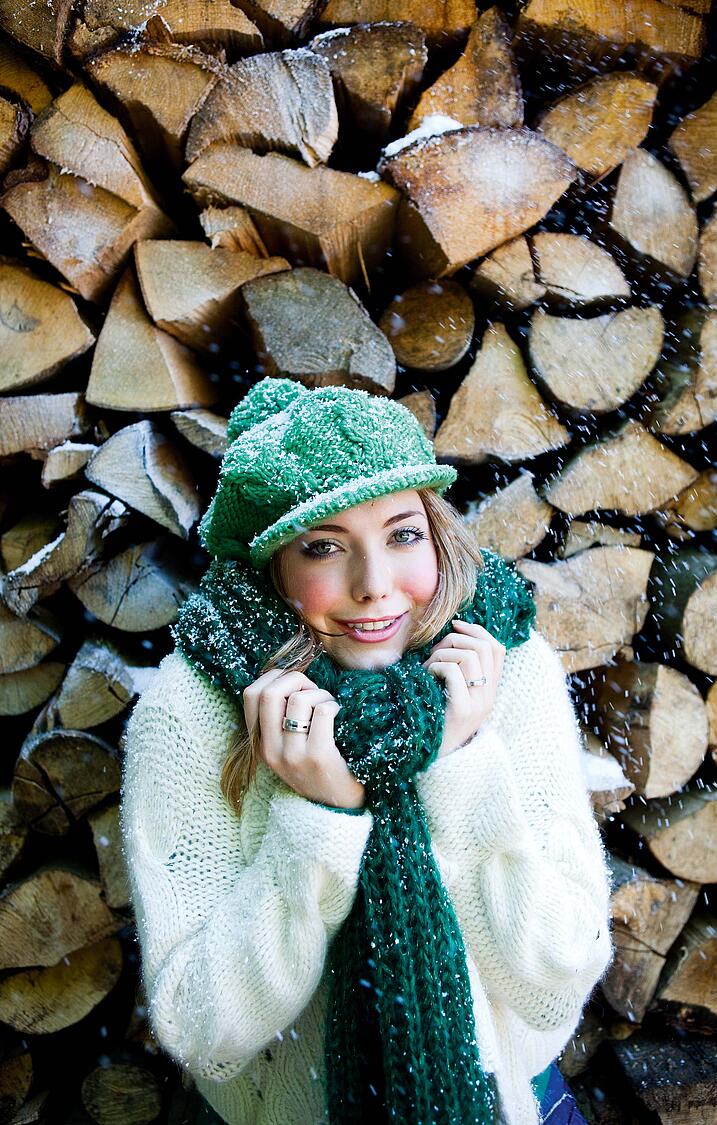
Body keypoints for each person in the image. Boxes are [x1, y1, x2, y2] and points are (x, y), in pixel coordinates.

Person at [120, 376, 615, 1125]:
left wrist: (459, 764)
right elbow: (203, 1031)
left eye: (401, 534)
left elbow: (559, 972)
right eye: (325, 546)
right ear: (273, 565)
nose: (375, 586)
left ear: (436, 530)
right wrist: (320, 820)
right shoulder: (190, 713)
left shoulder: (503, 667)